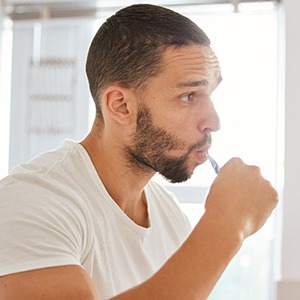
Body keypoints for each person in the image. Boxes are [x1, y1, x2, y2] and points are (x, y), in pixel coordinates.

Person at [0, 4, 278, 300]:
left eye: (209, 94)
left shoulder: (170, 216)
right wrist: (228, 223)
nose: (213, 122)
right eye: (188, 96)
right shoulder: (29, 202)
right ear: (121, 105)